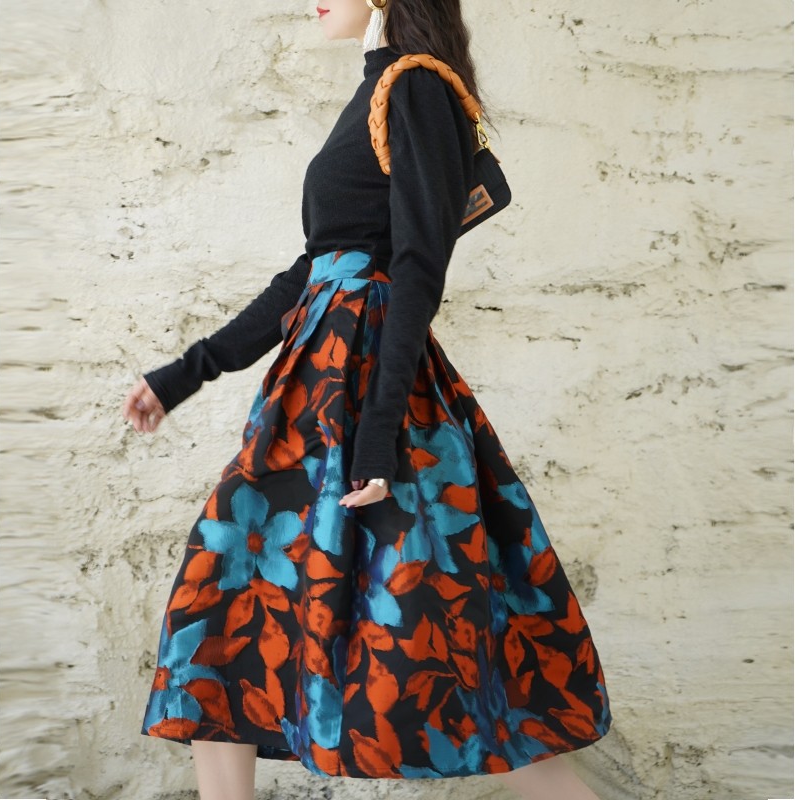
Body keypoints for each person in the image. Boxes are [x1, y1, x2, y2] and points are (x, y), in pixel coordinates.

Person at [122, 2, 614, 798]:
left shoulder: (417, 85)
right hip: (315, 395)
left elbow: (418, 268)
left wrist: (379, 437)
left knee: (445, 637)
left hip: (367, 397)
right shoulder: (381, 87)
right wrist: (183, 374)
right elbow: (310, 272)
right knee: (224, 617)